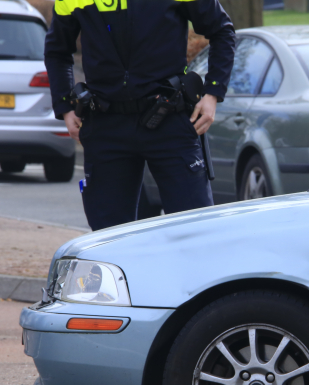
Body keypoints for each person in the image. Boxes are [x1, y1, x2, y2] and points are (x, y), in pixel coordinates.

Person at [45, 0, 236, 231]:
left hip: (169, 119)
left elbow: (222, 31)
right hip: (106, 124)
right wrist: (65, 105)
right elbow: (58, 50)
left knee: (194, 230)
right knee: (109, 240)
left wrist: (213, 92)